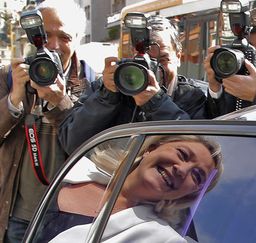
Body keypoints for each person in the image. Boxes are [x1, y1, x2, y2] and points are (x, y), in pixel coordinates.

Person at [0, 1, 94, 242]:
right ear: (34, 37)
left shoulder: (93, 85)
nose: (53, 45)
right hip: (16, 214)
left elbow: (93, 151)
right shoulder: (10, 77)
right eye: (46, 35)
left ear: (77, 39)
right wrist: (14, 100)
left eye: (64, 36)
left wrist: (60, 102)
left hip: (68, 218)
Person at [58, 16, 209, 155]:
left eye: (163, 60)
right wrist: (107, 97)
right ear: (132, 56)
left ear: (178, 56)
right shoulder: (109, 88)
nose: (152, 70)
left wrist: (156, 102)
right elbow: (72, 144)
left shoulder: (195, 96)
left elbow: (199, 152)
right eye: (145, 61)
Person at [36, 135, 223, 242]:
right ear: (152, 148)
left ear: (189, 195)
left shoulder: (161, 238)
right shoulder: (73, 176)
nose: (182, 170)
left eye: (197, 176)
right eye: (182, 154)